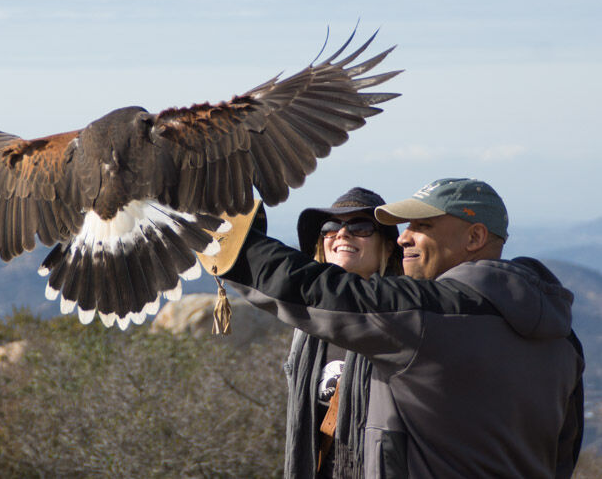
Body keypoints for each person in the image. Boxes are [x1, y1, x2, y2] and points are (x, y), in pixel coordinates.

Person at [218, 178, 584, 478]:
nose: (404, 237)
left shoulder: (432, 317)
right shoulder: (564, 340)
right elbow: (561, 456)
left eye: (422, 226)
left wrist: (228, 235)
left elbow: (318, 291)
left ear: (474, 238)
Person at [286, 187, 403, 478]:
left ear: (388, 247)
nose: (342, 234)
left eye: (360, 227)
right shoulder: (308, 327)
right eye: (331, 227)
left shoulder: (402, 321)